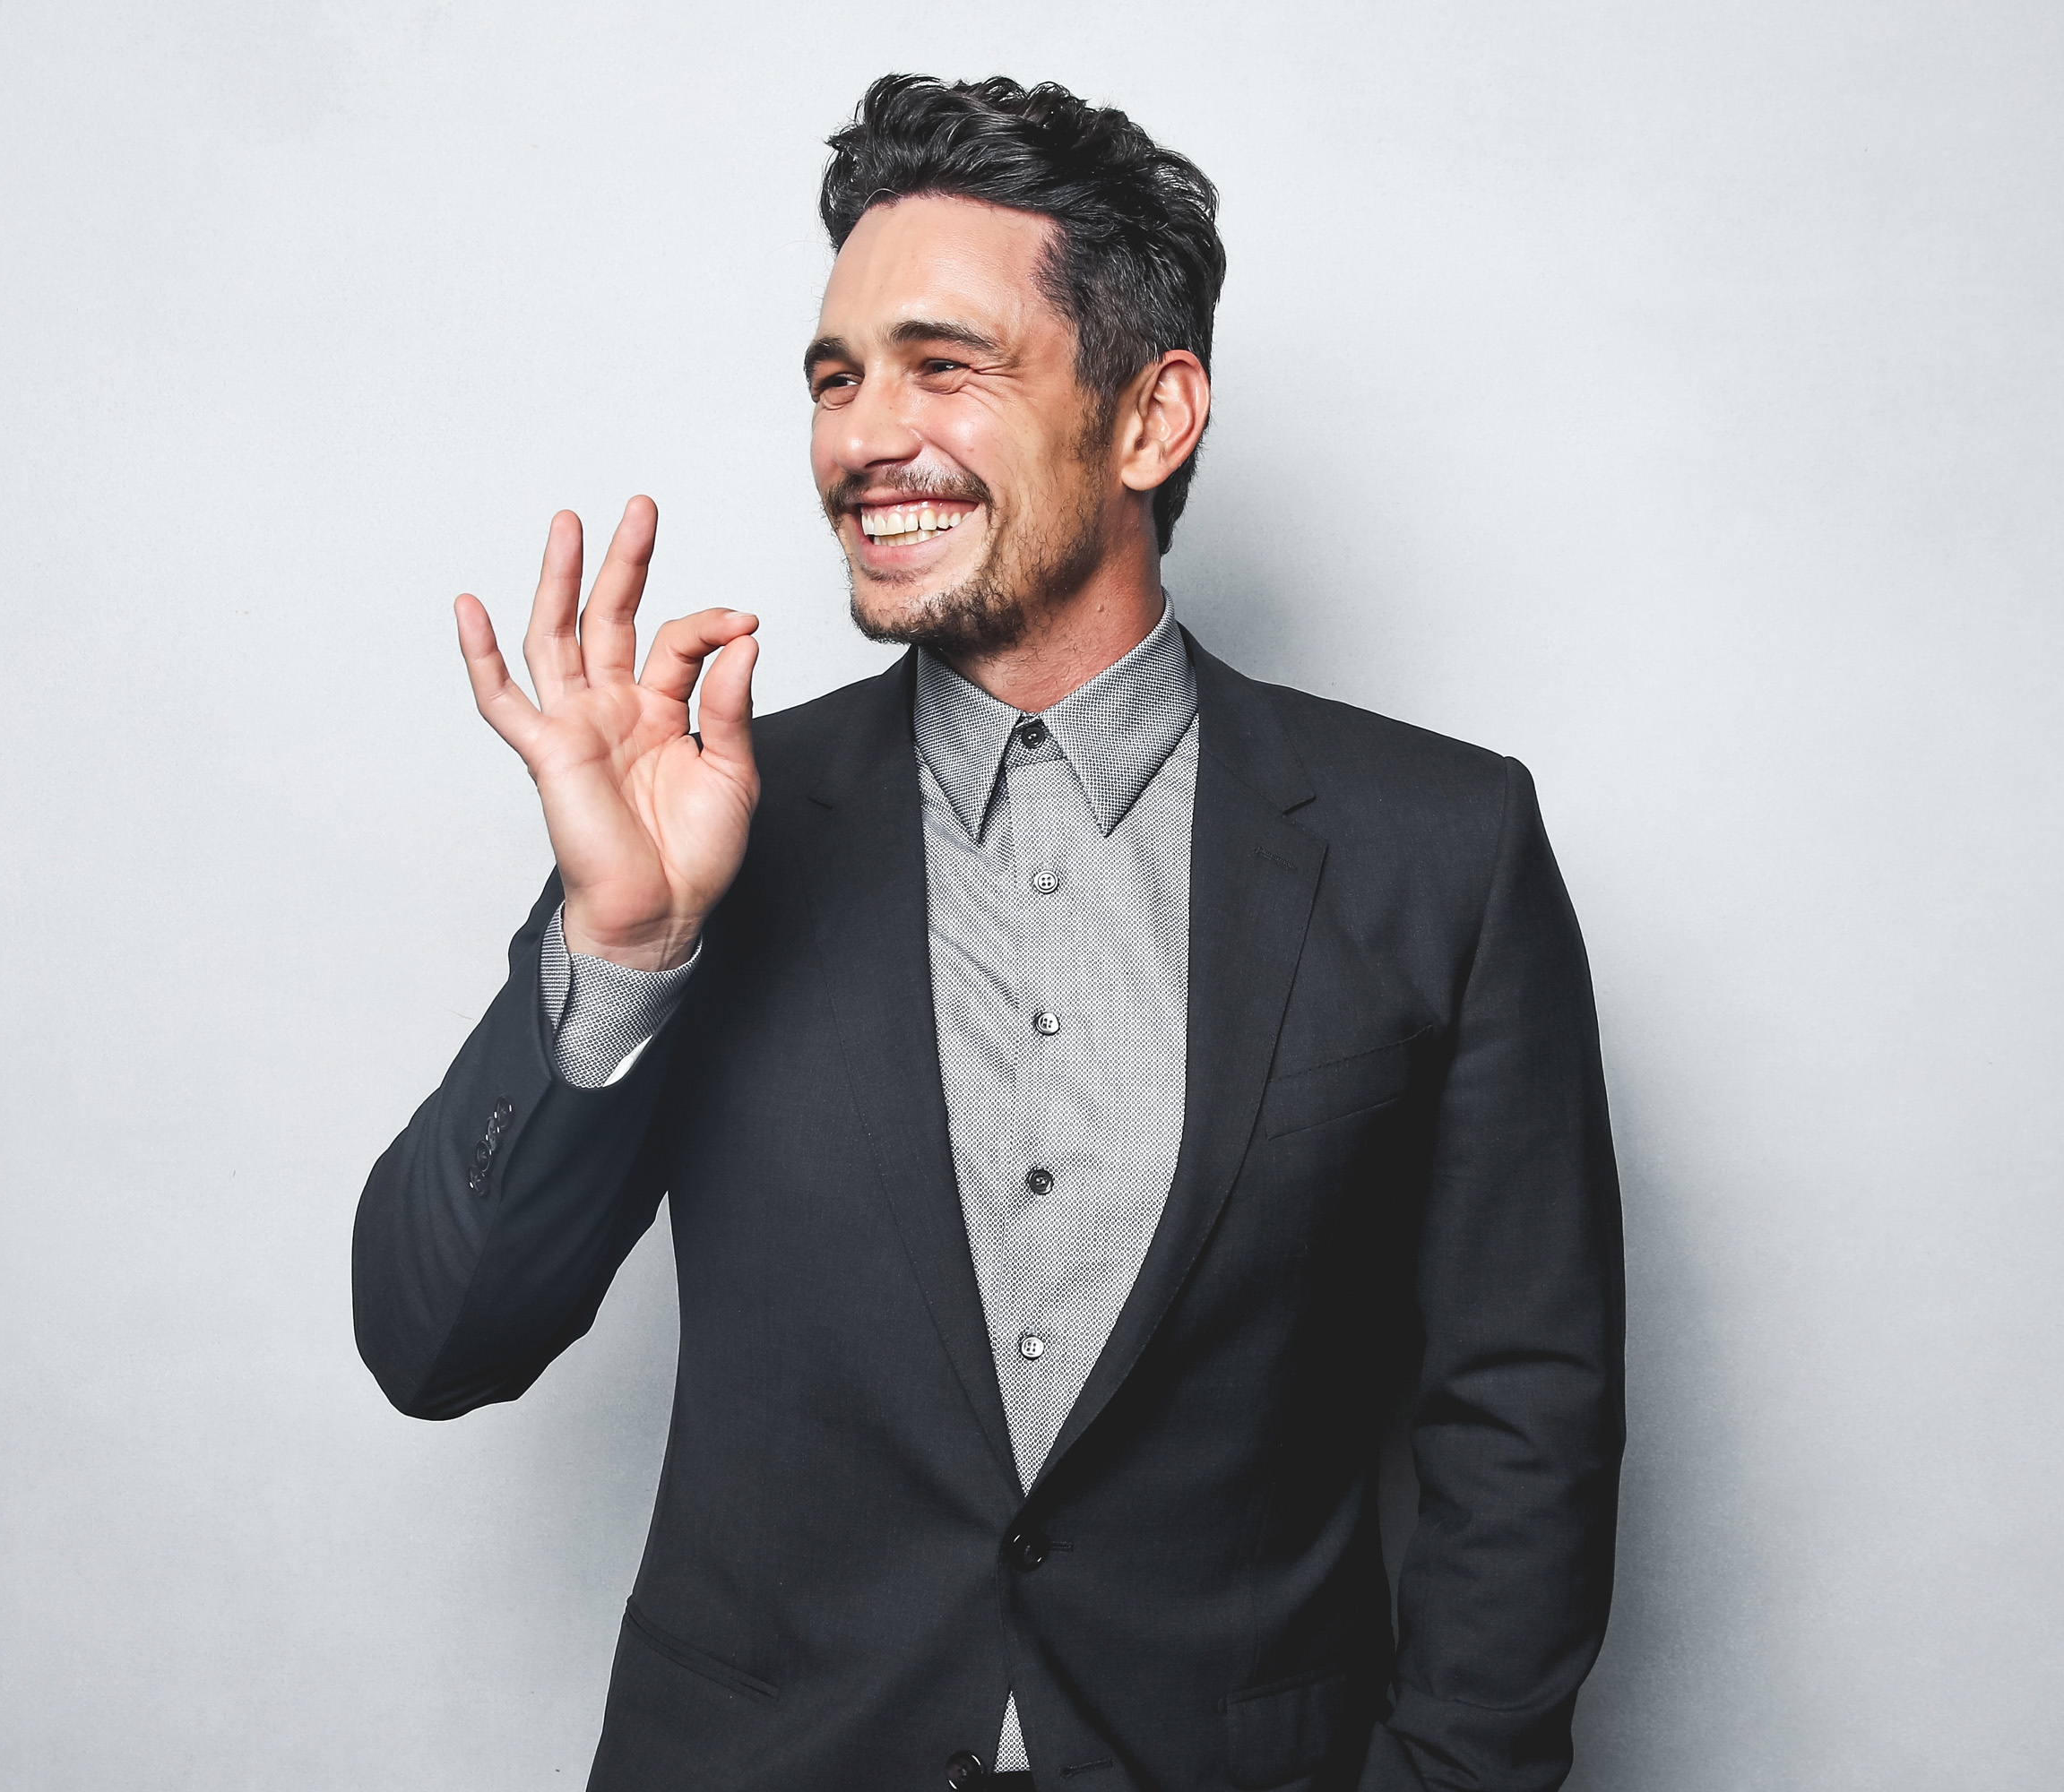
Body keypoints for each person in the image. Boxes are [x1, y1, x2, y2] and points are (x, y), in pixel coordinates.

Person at [352, 73, 1623, 1792]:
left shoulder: (1440, 850)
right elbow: (436, 1342)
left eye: (943, 367)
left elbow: (1524, 1418)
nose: (864, 435)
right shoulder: (708, 824)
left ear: (1150, 419)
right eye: (836, 377)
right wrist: (624, 944)